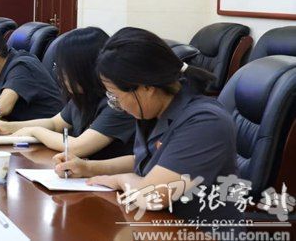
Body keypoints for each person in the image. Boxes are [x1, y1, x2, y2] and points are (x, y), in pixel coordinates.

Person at [53, 27, 238, 221]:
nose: (117, 105)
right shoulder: (155, 111)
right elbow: (145, 161)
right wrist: (87, 168)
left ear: (146, 88)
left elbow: (153, 195)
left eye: (116, 97)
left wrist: (120, 180)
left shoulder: (205, 122)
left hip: (197, 230)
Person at [0, 27, 134, 159]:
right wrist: (9, 127)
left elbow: (77, 147)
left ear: (84, 69)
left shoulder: (117, 103)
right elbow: (55, 123)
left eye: (64, 68)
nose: (60, 75)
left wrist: (35, 131)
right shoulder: (83, 95)